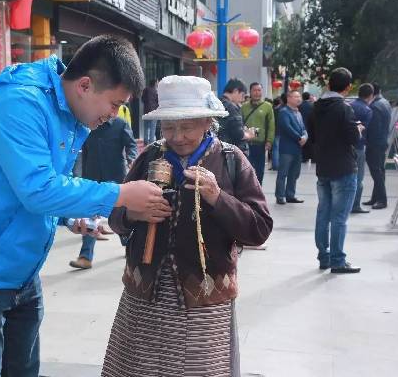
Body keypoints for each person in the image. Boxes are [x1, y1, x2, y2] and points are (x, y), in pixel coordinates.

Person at [0, 35, 170, 377]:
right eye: (114, 104)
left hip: (20, 270)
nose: (114, 116)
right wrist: (121, 194)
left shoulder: (67, 113)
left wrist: (69, 218)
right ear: (85, 85)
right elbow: (38, 189)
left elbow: (30, 188)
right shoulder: (19, 104)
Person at [102, 75, 273, 377]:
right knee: (139, 368)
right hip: (146, 293)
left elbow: (258, 228)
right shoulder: (150, 157)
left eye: (187, 126)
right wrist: (134, 215)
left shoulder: (232, 159)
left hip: (205, 299)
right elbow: (116, 216)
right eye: (169, 126)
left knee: (199, 368)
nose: (177, 136)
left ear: (208, 121)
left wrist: (217, 197)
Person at [308, 67, 363, 274]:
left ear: (329, 85)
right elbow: (353, 139)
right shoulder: (344, 108)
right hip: (344, 168)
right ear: (348, 87)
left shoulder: (315, 108)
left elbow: (312, 137)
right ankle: (338, 260)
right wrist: (357, 129)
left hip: (323, 168)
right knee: (339, 217)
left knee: (323, 213)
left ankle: (324, 257)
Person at [69, 116, 138, 269]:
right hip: (92, 178)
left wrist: (132, 159)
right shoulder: (89, 124)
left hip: (115, 178)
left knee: (119, 216)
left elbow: (131, 145)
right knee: (89, 215)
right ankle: (85, 257)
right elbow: (82, 152)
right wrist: (79, 176)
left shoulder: (120, 124)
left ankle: (130, 248)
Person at [363, 83, 392, 210]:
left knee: (376, 172)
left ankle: (381, 199)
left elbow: (373, 128)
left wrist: (367, 142)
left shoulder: (375, 106)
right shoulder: (385, 102)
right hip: (382, 141)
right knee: (380, 171)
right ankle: (376, 197)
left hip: (375, 143)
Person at [275, 90, 307, 205]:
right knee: (283, 173)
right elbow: (287, 128)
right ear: (288, 98)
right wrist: (299, 138)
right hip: (287, 149)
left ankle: (290, 195)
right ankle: (280, 196)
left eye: (299, 96)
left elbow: (303, 128)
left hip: (297, 149)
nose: (298, 99)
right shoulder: (284, 112)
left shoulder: (298, 113)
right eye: (295, 96)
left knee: (294, 173)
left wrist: (305, 136)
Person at [241, 82, 275, 184]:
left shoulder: (267, 106)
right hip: (246, 144)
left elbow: (271, 125)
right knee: (246, 170)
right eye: (254, 90)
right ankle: (248, 193)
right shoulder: (244, 107)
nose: (257, 92)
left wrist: (269, 141)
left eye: (259, 90)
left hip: (260, 144)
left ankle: (258, 191)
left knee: (260, 171)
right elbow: (240, 123)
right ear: (250, 92)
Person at [350, 83, 374, 214]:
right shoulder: (367, 110)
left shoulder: (350, 106)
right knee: (358, 177)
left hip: (347, 146)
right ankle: (355, 205)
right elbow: (364, 129)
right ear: (371, 95)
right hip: (359, 146)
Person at [217, 78, 255, 156]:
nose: (243, 99)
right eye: (243, 95)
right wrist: (249, 134)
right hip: (232, 152)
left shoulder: (217, 103)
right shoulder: (231, 107)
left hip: (218, 148)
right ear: (235, 91)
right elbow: (239, 134)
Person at [141, 79, 159, 143]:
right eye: (157, 82)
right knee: (152, 128)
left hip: (146, 111)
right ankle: (151, 142)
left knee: (146, 127)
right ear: (154, 83)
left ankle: (145, 141)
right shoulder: (156, 91)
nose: (157, 83)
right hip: (153, 111)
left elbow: (142, 99)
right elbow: (158, 101)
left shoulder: (145, 89)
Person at [271, 95, 285, 171]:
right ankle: (277, 165)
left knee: (275, 149)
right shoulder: (282, 110)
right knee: (278, 149)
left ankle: (275, 164)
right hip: (280, 131)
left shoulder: (273, 109)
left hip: (274, 130)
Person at [299, 91, 315, 163]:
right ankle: (312, 157)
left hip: (301, 125)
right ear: (309, 97)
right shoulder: (312, 105)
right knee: (310, 142)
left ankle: (304, 157)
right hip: (311, 126)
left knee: (303, 141)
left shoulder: (299, 105)